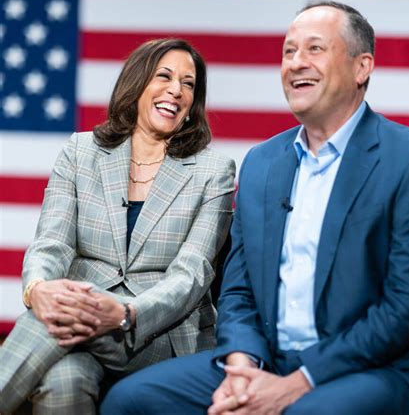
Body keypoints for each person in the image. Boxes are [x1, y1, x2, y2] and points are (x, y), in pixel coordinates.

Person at [101, 1, 409, 415]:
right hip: (268, 361)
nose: (296, 63)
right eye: (288, 51)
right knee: (131, 401)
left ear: (362, 67)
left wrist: (297, 384)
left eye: (315, 49)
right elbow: (237, 290)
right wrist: (241, 367)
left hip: (386, 370)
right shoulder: (262, 163)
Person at [0, 38, 236, 414]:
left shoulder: (214, 173)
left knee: (59, 316)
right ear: (137, 83)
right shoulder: (80, 152)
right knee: (65, 382)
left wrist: (126, 313)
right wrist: (37, 289)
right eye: (165, 76)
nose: (176, 90)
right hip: (81, 318)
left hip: (156, 330)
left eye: (188, 84)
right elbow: (51, 245)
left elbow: (191, 275)